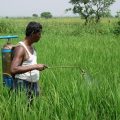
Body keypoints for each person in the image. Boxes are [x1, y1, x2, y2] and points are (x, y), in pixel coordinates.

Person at [10, 21, 47, 103]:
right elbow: (13, 69)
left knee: (33, 110)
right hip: (22, 84)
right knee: (23, 110)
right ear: (33, 33)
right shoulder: (21, 49)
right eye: (39, 34)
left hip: (33, 83)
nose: (40, 36)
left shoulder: (33, 48)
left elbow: (30, 64)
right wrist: (36, 67)